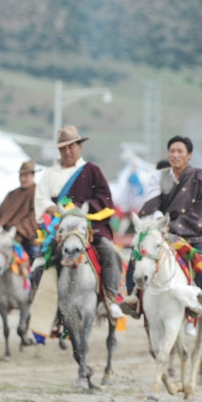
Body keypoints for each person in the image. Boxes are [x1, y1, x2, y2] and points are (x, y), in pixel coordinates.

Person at [34, 125, 124, 318]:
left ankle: (110, 298)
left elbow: (105, 198)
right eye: (63, 148)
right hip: (60, 226)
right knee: (39, 262)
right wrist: (59, 212)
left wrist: (81, 209)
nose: (67, 151)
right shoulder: (49, 174)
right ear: (59, 150)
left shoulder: (92, 171)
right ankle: (45, 304)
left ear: (79, 146)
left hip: (90, 225)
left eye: (71, 146)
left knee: (109, 252)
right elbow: (41, 200)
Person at [127, 136, 202, 299]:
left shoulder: (199, 176)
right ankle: (133, 298)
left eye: (180, 151)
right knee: (135, 255)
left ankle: (200, 299)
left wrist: (172, 226)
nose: (175, 155)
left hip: (193, 233)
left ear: (189, 155)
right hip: (161, 232)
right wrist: (160, 223)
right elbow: (152, 204)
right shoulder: (159, 177)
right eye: (172, 151)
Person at [0, 160, 39, 302]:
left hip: (26, 237)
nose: (23, 178)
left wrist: (18, 231)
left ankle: (35, 289)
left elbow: (35, 217)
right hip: (4, 236)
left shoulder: (38, 193)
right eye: (21, 175)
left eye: (26, 175)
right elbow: (0, 215)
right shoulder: (11, 194)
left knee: (36, 257)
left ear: (33, 175)